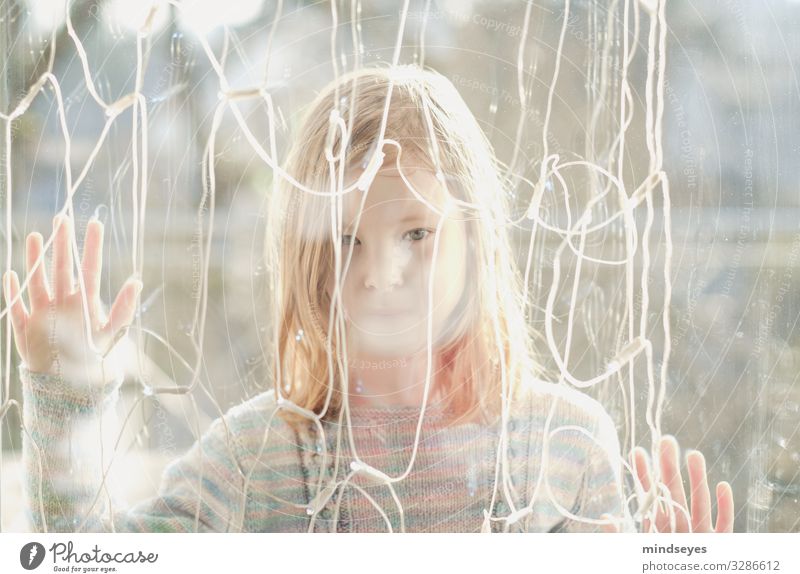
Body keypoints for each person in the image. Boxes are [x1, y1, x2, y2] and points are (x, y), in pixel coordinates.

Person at [3, 65, 733, 533]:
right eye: (347, 239)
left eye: (416, 233)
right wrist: (63, 394)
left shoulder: (566, 445)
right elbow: (85, 561)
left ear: (475, 245)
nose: (382, 273)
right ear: (306, 259)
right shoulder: (257, 456)